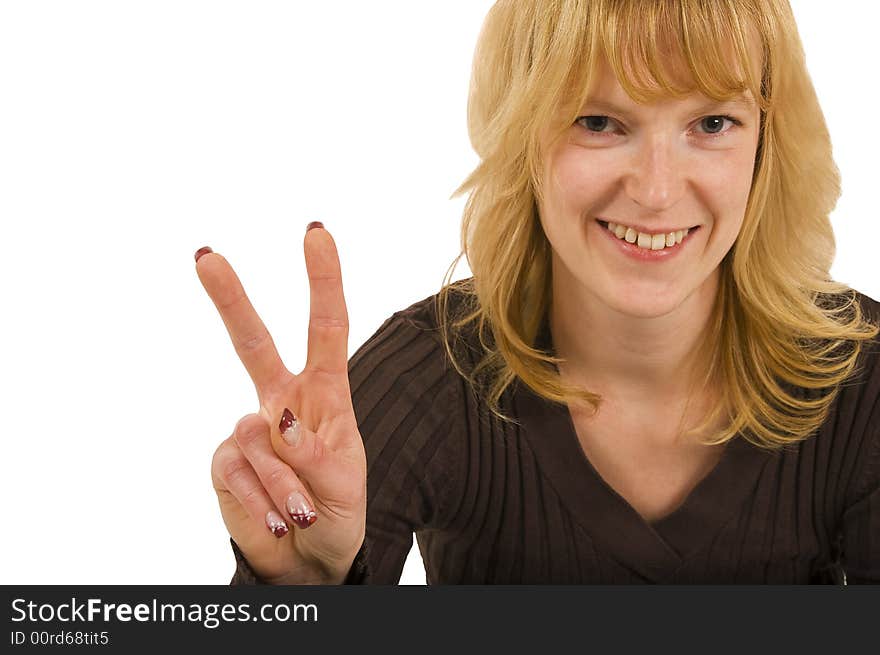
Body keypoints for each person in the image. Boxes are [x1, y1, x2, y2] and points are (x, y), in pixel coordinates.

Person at [196, 0, 880, 584]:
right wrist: (307, 588)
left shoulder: (864, 381)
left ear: (767, 141)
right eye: (598, 122)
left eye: (712, 124)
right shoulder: (428, 375)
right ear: (521, 135)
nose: (658, 189)